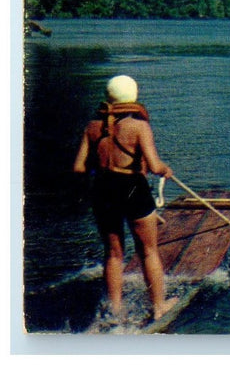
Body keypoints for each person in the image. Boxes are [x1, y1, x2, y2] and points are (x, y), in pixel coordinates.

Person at [72, 75, 177, 321]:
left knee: (113, 253)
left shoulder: (91, 126)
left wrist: (103, 168)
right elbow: (153, 164)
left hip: (102, 190)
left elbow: (79, 167)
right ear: (133, 96)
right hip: (132, 189)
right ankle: (160, 307)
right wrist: (165, 169)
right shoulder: (139, 126)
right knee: (148, 251)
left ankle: (115, 311)